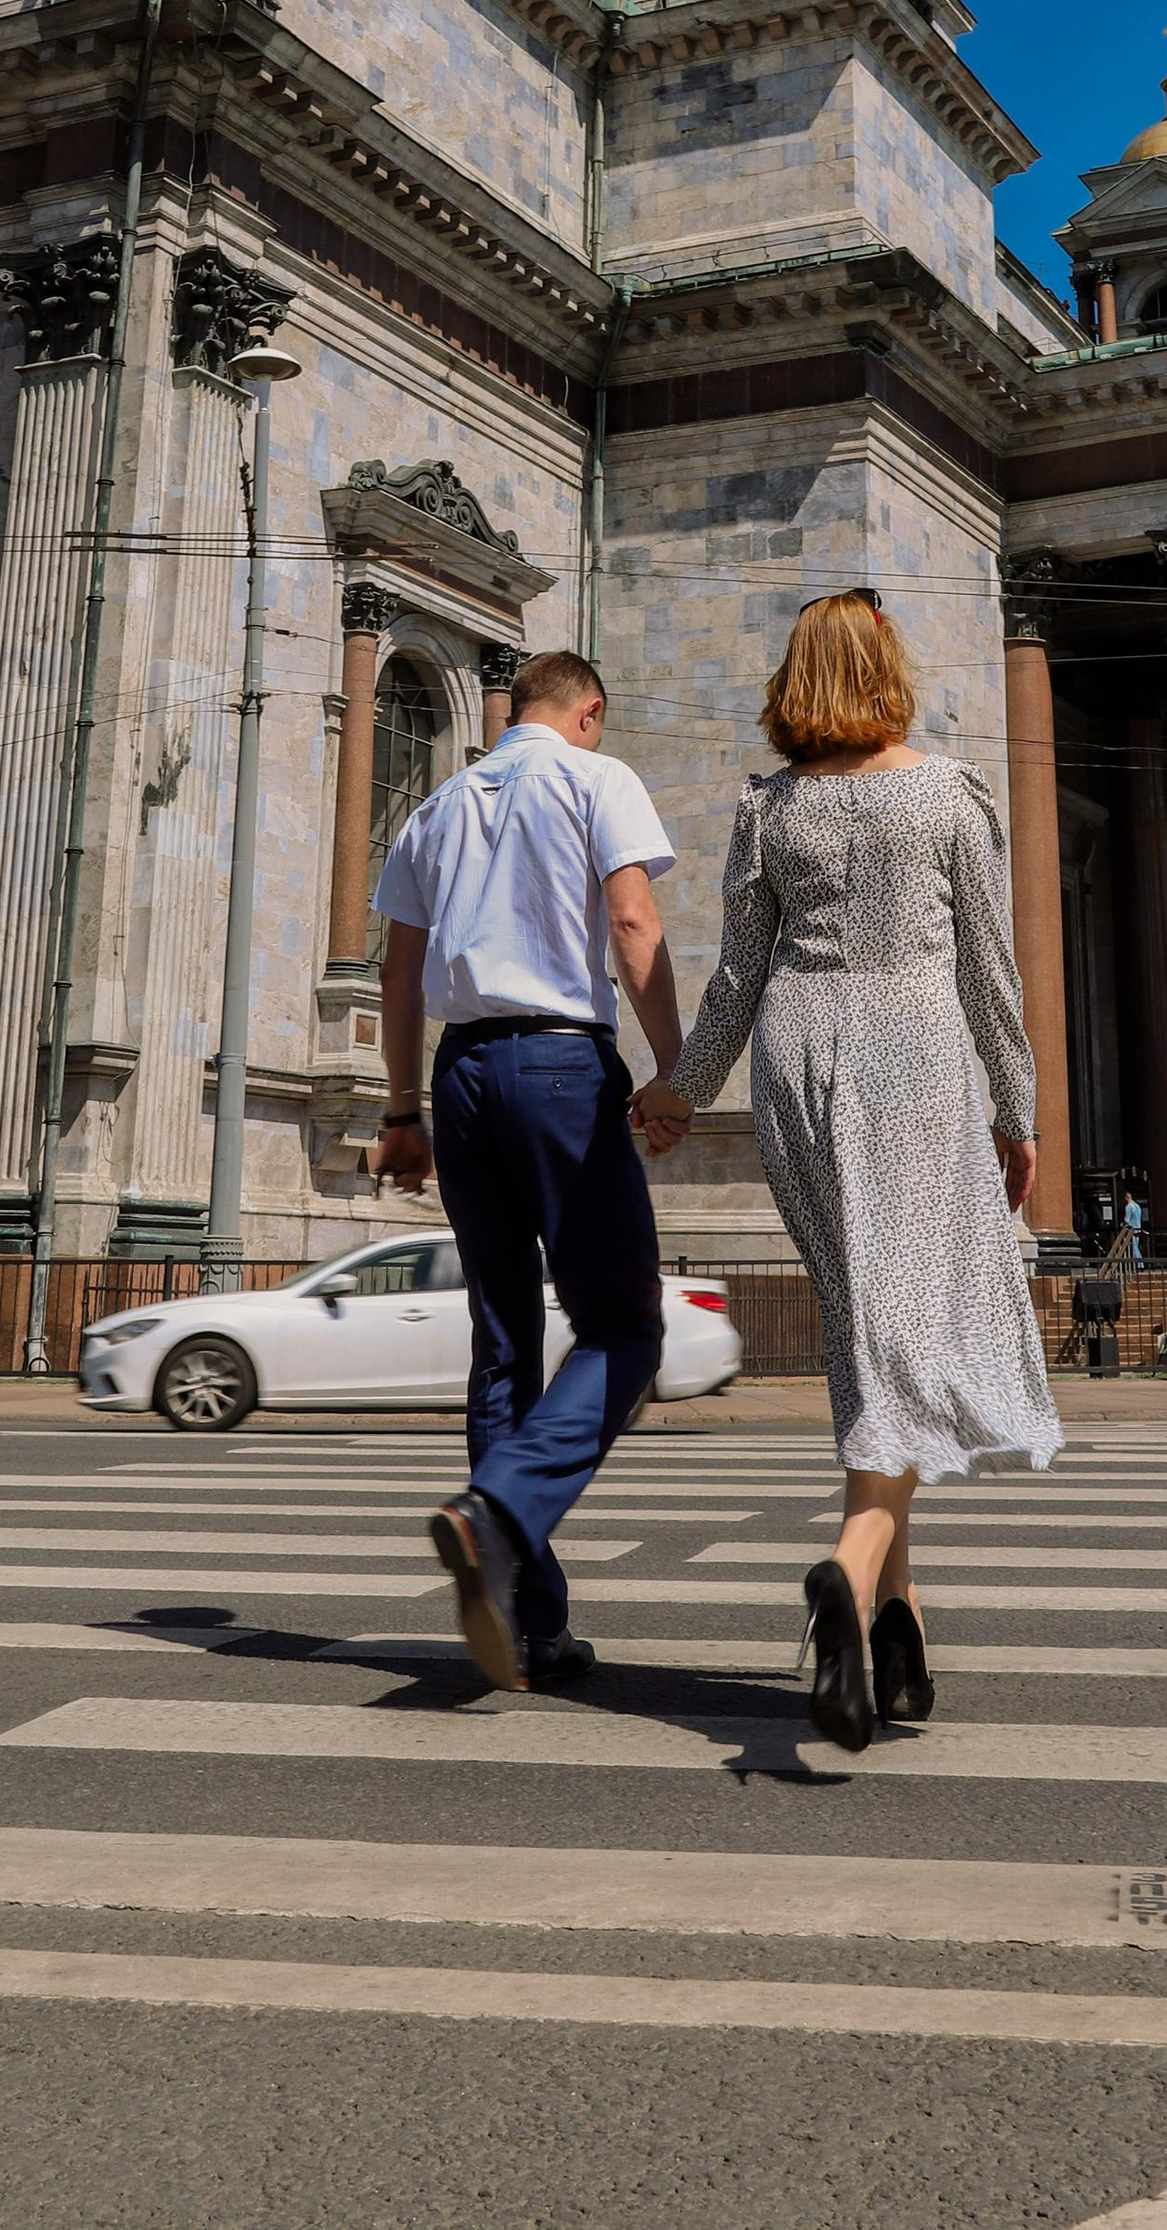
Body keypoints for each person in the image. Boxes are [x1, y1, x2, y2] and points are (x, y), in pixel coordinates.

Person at [630, 592, 1059, 1758]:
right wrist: (1017, 1108)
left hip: (798, 1054)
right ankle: (851, 1564)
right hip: (915, 1050)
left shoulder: (768, 808)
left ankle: (896, 1626)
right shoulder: (949, 793)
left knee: (869, 1327)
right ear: (886, 671)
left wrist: (679, 1089)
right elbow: (989, 972)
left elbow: (734, 976)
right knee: (911, 1330)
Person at [369, 648, 681, 1693]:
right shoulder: (596, 779)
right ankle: (499, 1509)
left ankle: (527, 1618)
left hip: (459, 1073)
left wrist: (402, 1110)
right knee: (625, 1327)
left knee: (502, 1343)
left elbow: (398, 972)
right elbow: (632, 922)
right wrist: (674, 1069)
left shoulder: (437, 807)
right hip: (558, 1065)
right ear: (588, 712)